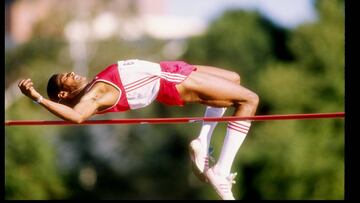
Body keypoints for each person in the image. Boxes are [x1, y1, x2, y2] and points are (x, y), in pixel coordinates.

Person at [18, 59, 259, 200]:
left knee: (233, 79)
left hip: (167, 68)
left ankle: (203, 143)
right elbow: (76, 117)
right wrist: (38, 98)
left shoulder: (93, 86)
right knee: (249, 100)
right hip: (168, 81)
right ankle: (221, 170)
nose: (71, 73)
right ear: (63, 94)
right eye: (65, 78)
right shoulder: (93, 96)